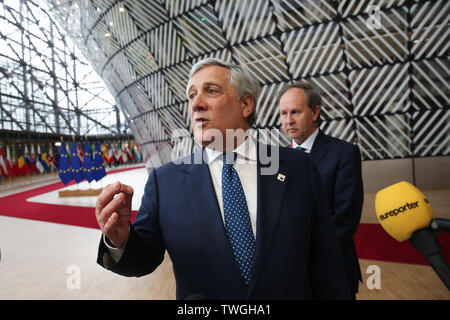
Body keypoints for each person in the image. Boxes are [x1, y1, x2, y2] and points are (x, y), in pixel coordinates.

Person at [95, 58, 350, 300]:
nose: (196, 104)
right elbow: (144, 259)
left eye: (212, 91)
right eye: (192, 95)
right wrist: (120, 239)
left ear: (246, 105)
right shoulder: (166, 183)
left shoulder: (299, 168)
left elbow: (326, 263)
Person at [278, 82, 364, 299]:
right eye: (283, 113)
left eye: (295, 112)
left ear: (315, 112)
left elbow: (345, 218)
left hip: (332, 271)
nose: (288, 120)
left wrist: (303, 252)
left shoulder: (344, 154)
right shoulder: (275, 160)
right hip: (289, 276)